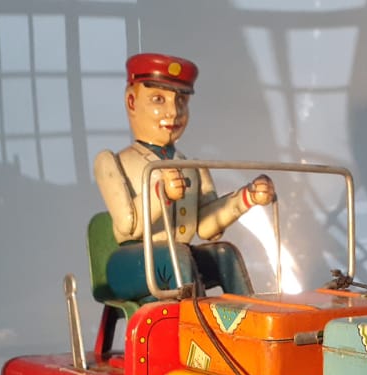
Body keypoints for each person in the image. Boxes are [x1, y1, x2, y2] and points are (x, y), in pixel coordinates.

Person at [94, 52, 274, 300]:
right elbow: (128, 225)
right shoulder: (114, 162)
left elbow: (206, 228)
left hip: (179, 259)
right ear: (132, 102)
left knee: (224, 254)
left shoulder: (192, 166)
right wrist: (161, 194)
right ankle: (196, 320)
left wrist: (246, 198)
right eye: (158, 100)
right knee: (176, 256)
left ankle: (249, 318)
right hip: (130, 263)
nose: (173, 112)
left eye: (181, 101)